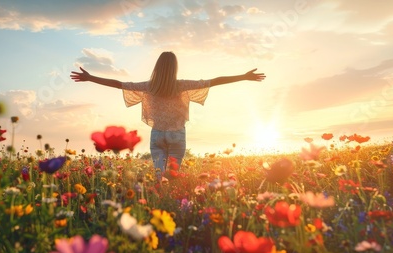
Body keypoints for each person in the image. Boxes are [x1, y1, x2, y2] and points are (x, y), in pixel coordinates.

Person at [70, 51, 265, 178]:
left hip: (157, 135)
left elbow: (118, 84)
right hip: (177, 134)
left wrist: (90, 78)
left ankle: (158, 207)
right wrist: (243, 77)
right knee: (172, 176)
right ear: (174, 68)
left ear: (157, 67)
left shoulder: (149, 87)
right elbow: (213, 81)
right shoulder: (181, 85)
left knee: (158, 175)